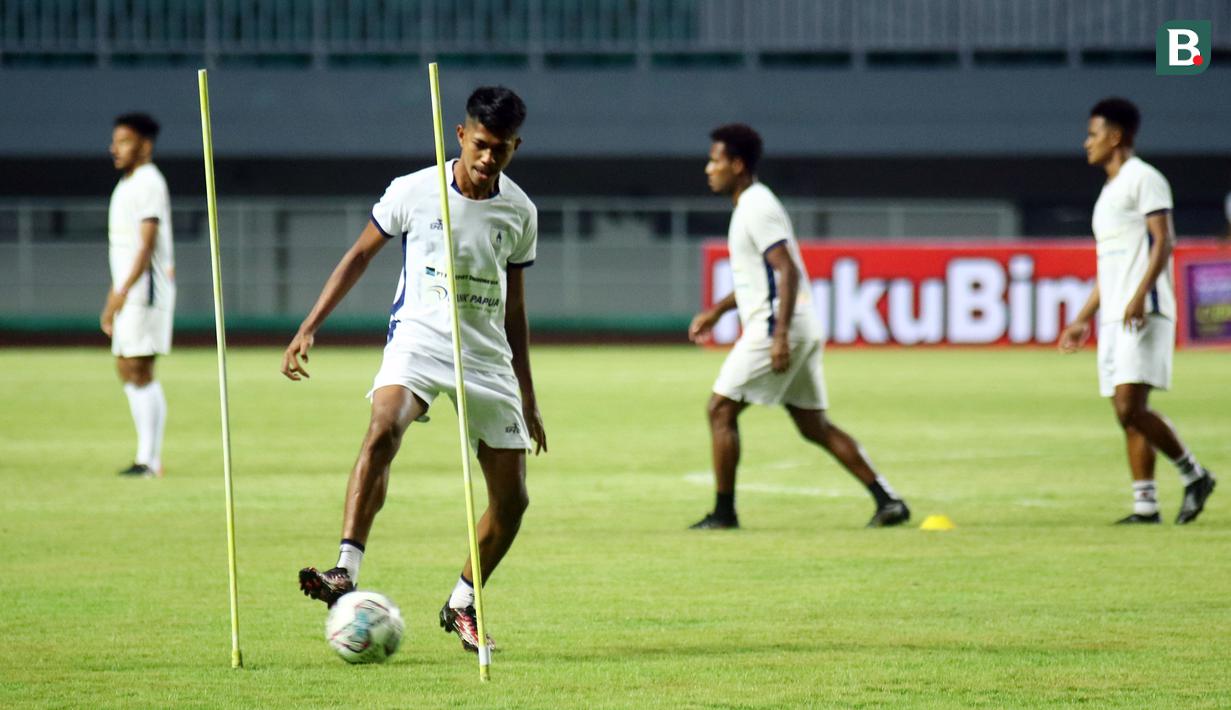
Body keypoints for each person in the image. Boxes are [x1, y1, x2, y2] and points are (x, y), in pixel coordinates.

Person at [284, 87, 546, 654]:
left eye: (500, 150)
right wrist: (310, 324)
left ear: (514, 148)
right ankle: (344, 570)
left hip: (486, 358)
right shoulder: (413, 191)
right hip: (420, 343)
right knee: (383, 428)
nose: (487, 158)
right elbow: (359, 255)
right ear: (460, 134)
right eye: (479, 144)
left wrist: (528, 395)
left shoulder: (519, 211)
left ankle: (462, 603)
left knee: (513, 502)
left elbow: (517, 309)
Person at [687, 123, 910, 530]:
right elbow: (759, 279)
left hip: (779, 326)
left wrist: (778, 335)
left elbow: (786, 270)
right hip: (796, 324)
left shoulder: (756, 206)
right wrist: (719, 311)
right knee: (814, 425)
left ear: (737, 165)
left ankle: (723, 513)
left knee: (720, 409)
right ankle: (888, 500)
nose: (708, 168)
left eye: (715, 160)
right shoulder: (751, 205)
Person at [1059, 97, 1216, 524]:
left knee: (1131, 407)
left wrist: (1139, 294)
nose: (1086, 142)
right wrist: (1082, 318)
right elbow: (1109, 265)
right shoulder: (1110, 191)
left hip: (1142, 309)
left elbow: (1164, 240)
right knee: (1124, 412)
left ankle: (1194, 474)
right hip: (1116, 313)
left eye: (1093, 134)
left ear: (1115, 136)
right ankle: (1145, 504)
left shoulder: (1144, 178)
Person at [101, 113, 174, 478]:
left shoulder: (148, 181)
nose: (115, 148)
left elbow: (146, 245)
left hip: (144, 289)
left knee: (139, 367)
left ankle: (150, 460)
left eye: (124, 141)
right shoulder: (128, 183)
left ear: (145, 145)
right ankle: (146, 457)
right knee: (126, 366)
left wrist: (121, 293)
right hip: (131, 289)